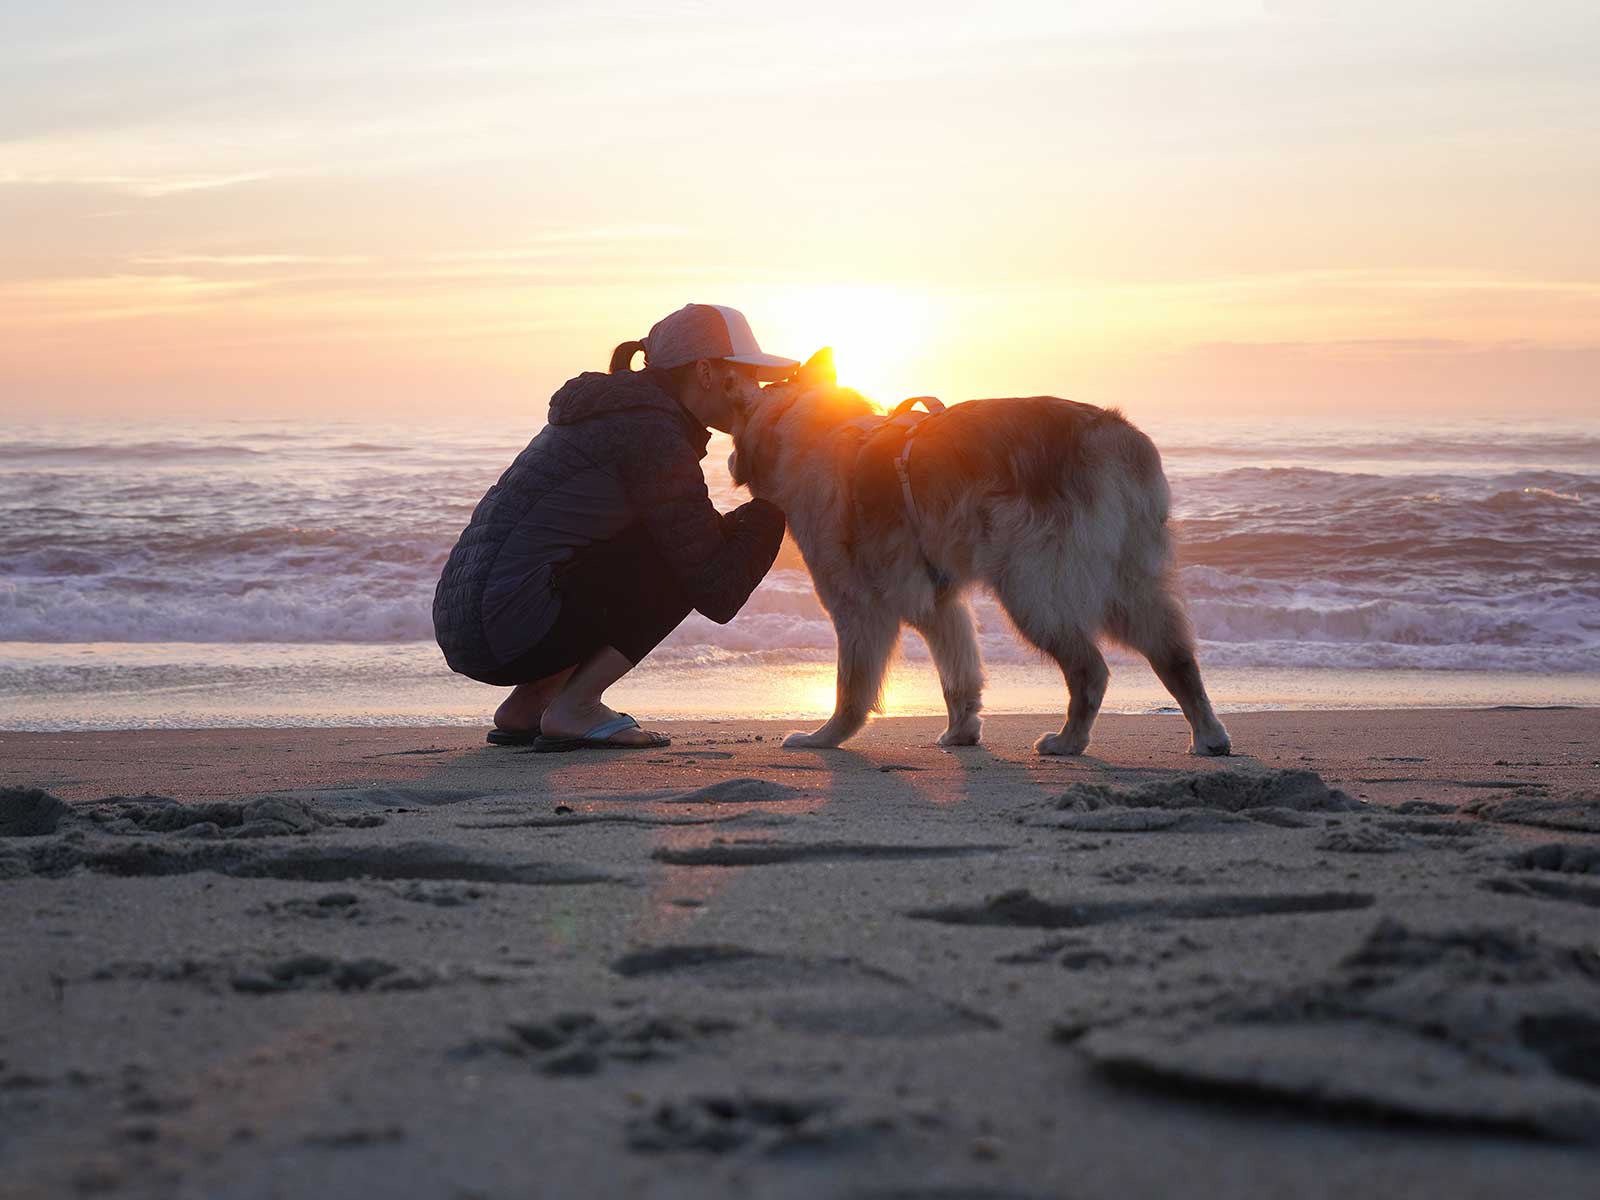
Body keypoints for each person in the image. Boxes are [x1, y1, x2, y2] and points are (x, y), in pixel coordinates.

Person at [433, 304, 796, 750]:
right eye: (749, 375)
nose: (755, 391)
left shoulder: (624, 412)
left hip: (471, 621)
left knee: (665, 537)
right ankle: (575, 707)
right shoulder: (652, 431)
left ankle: (530, 705)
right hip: (507, 623)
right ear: (706, 371)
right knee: (696, 551)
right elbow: (716, 588)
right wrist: (780, 492)